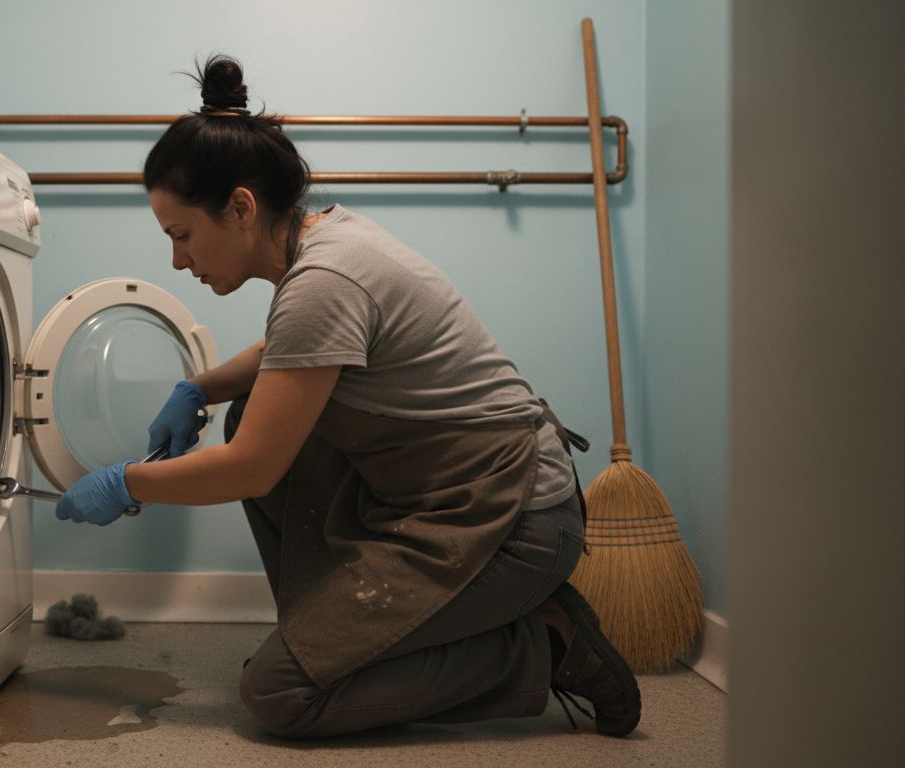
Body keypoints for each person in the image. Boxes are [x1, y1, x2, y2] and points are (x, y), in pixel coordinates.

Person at [56, 55, 641, 739]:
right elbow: (293, 355)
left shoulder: (325, 278)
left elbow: (252, 468)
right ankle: (331, 642)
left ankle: (546, 646)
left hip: (514, 521)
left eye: (182, 235)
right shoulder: (323, 244)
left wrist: (128, 482)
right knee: (253, 410)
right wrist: (200, 387)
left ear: (241, 207)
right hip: (451, 497)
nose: (179, 261)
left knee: (282, 698)